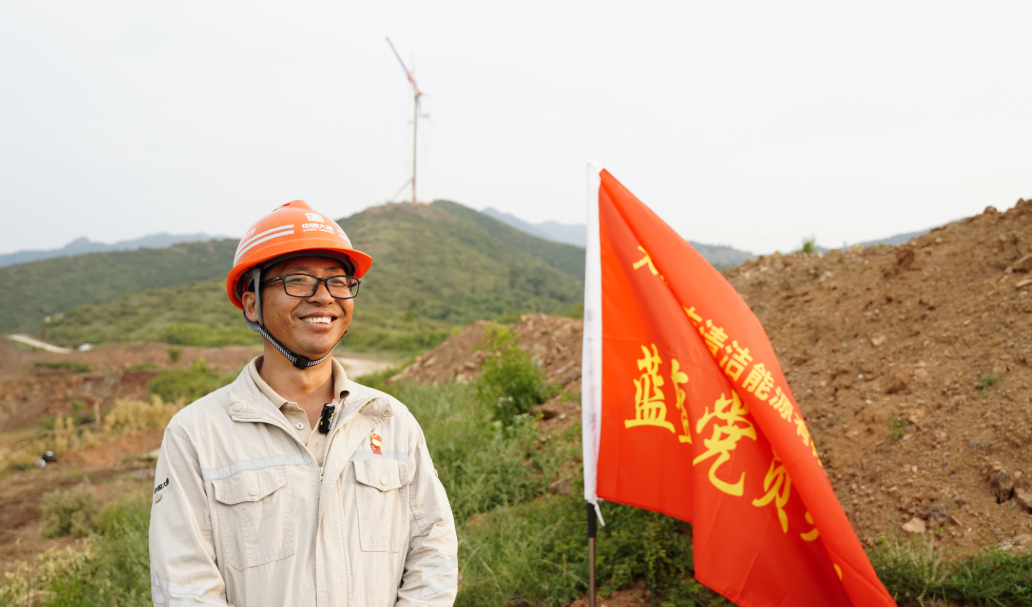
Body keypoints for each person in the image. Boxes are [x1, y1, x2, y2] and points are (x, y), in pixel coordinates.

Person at [148, 200, 458, 606]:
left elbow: (433, 554)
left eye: (338, 282)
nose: (324, 297)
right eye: (298, 280)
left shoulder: (389, 420)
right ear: (252, 303)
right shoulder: (197, 434)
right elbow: (185, 589)